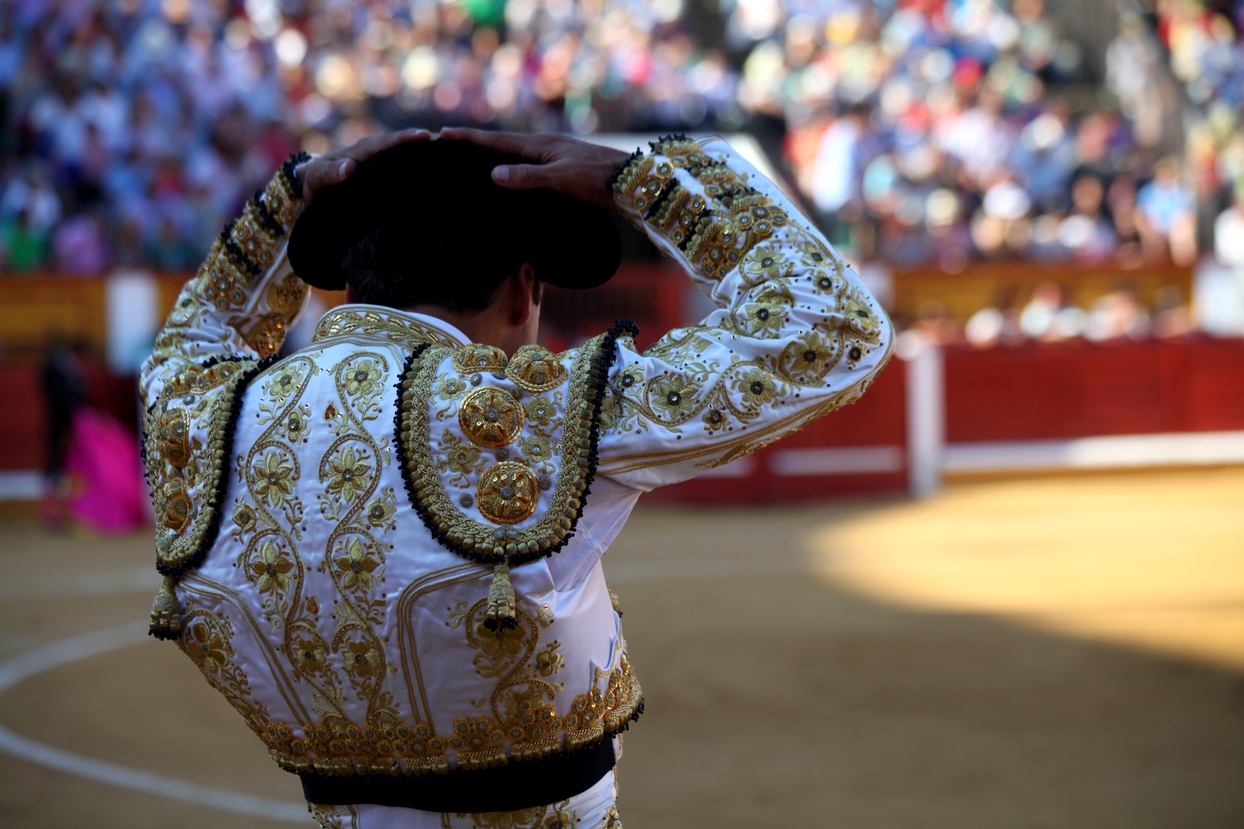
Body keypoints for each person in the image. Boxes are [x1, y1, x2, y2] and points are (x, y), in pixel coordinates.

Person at [141, 127, 894, 828]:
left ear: (351, 281)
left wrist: (283, 201)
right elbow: (834, 327)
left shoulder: (203, 411)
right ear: (523, 287)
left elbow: (196, 331)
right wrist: (651, 179)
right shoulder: (536, 413)